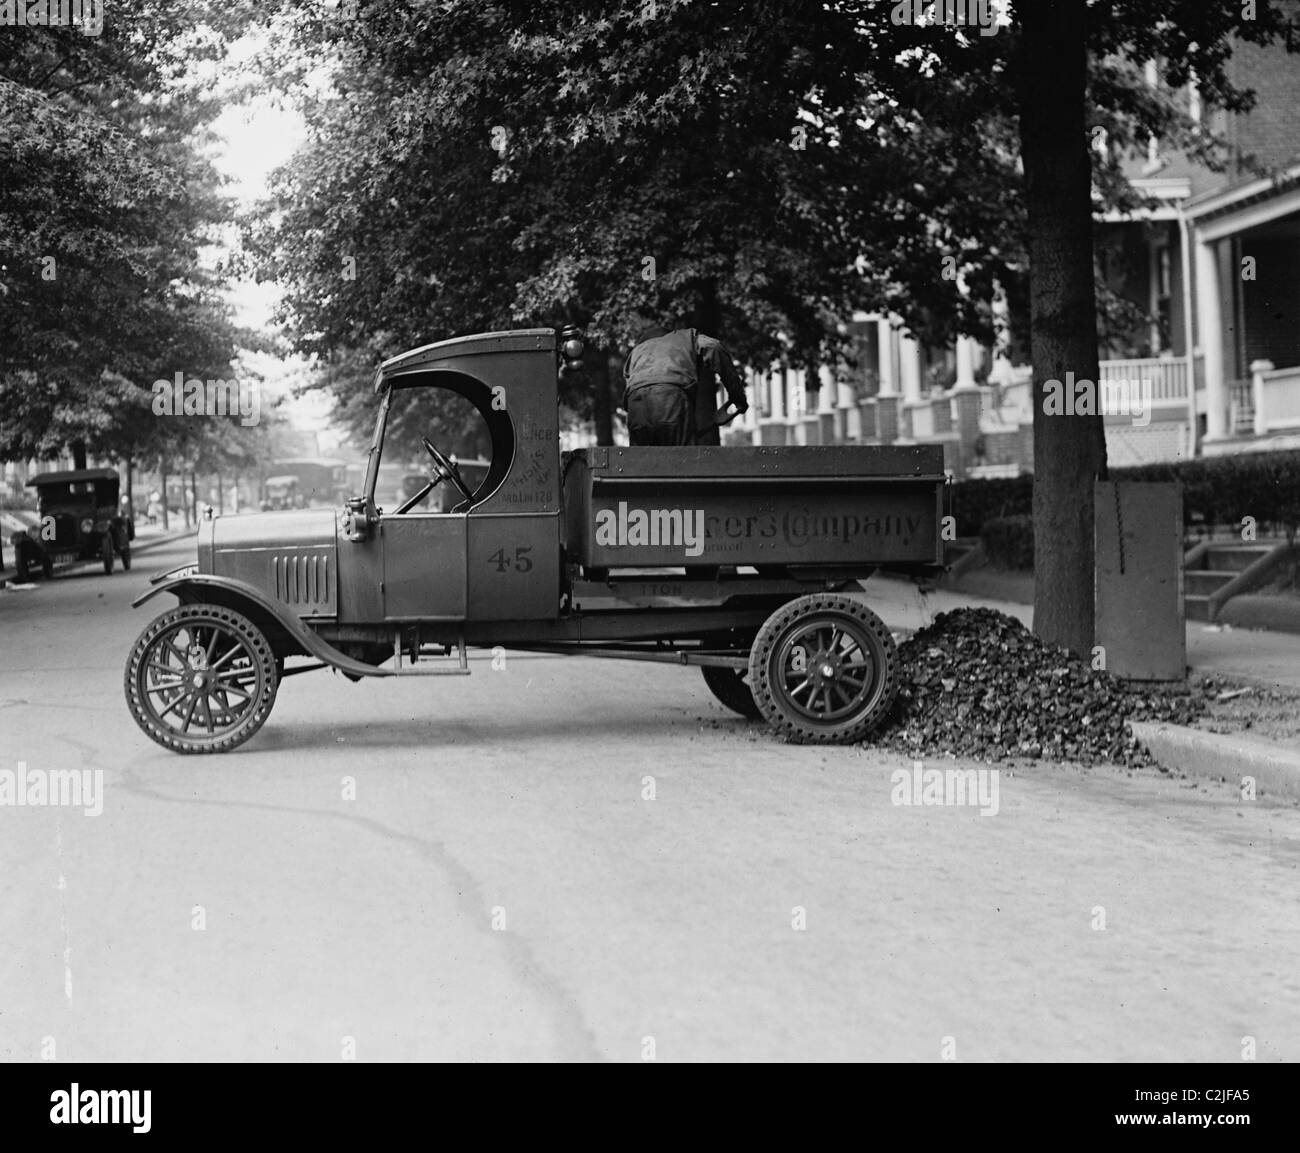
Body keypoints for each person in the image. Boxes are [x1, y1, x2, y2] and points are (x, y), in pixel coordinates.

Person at [623, 323, 748, 446]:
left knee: (641, 462)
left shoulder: (636, 352)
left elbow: (628, 385)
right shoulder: (683, 337)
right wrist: (737, 395)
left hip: (636, 405)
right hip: (671, 399)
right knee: (683, 461)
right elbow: (713, 346)